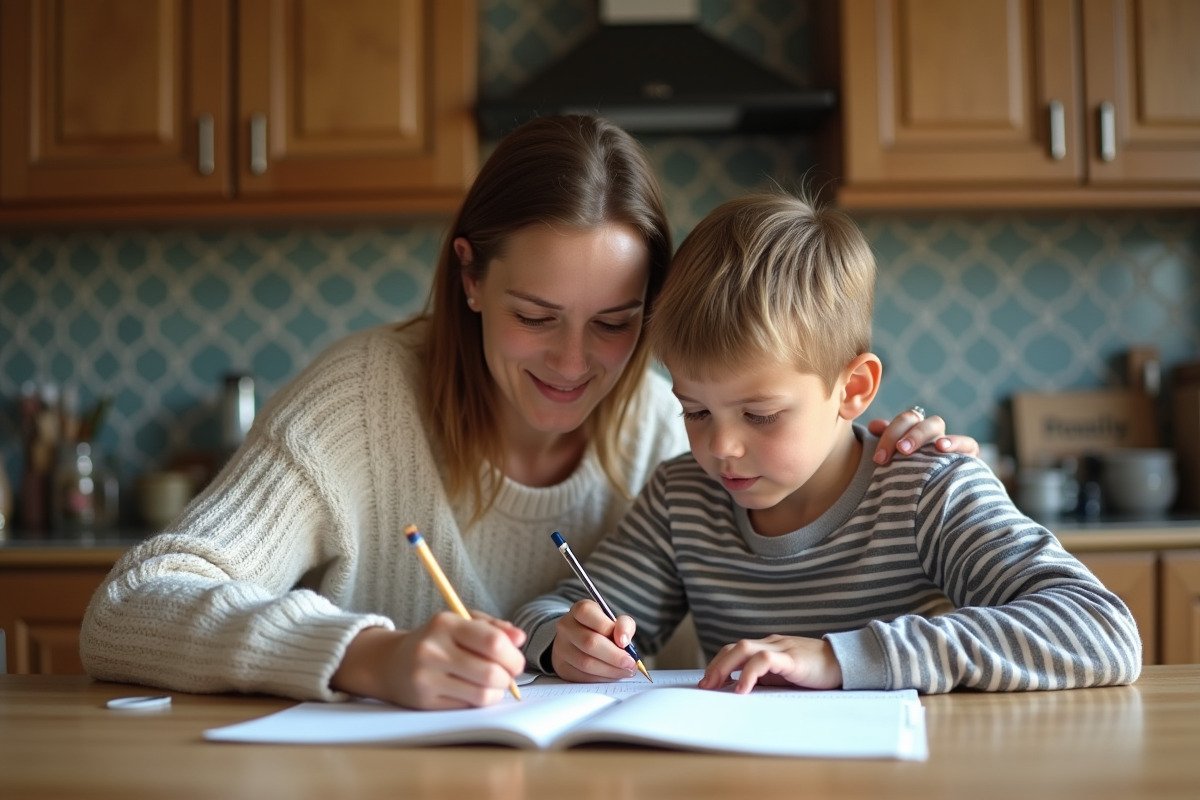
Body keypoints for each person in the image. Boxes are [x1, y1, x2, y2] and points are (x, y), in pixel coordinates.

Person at [80, 117, 976, 710]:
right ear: (470, 277)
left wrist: (865, 451)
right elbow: (128, 607)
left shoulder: (676, 426)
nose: (575, 363)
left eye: (616, 325)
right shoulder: (361, 403)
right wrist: (365, 657)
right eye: (536, 318)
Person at [514, 193, 1141, 694]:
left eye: (760, 415)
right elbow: (558, 608)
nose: (722, 447)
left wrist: (847, 658)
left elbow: (1101, 629)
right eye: (695, 409)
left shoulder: (927, 489)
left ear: (853, 389)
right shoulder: (685, 499)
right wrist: (562, 639)